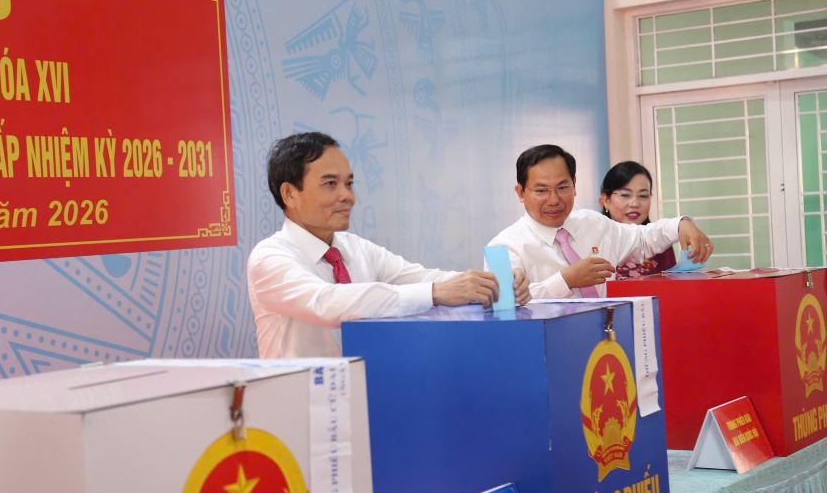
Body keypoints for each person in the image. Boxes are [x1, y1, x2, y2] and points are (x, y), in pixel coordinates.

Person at [247, 131, 531, 358]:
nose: (348, 197)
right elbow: (327, 304)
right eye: (330, 184)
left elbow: (422, 278)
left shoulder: (356, 248)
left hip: (368, 400)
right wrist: (437, 292)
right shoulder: (270, 257)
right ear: (290, 193)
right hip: (299, 413)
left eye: (349, 184)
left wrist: (490, 284)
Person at [486, 144, 713, 300]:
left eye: (562, 188)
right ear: (521, 192)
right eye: (541, 190)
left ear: (574, 185)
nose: (553, 200)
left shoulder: (593, 224)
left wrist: (681, 224)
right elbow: (505, 308)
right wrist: (565, 281)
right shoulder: (504, 247)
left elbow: (643, 240)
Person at [599, 161, 676, 278]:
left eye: (643, 196)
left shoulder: (660, 242)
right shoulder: (594, 242)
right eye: (625, 195)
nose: (635, 203)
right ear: (606, 200)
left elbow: (672, 290)